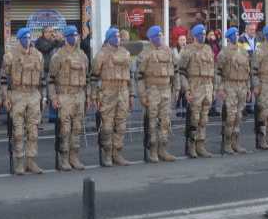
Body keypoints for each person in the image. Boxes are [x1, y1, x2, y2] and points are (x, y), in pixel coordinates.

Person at [2, 27, 45, 174]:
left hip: (33, 95)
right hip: (17, 94)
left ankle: (31, 161)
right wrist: (5, 97)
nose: (28, 40)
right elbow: (4, 79)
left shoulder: (38, 55)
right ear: (19, 39)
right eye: (25, 37)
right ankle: (19, 162)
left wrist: (43, 97)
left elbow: (42, 79)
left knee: (33, 131)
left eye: (29, 37)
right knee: (18, 132)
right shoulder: (10, 56)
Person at [48, 26, 90, 171]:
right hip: (64, 95)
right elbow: (51, 80)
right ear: (66, 37)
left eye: (76, 35)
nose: (75, 37)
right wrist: (53, 97)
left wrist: (88, 96)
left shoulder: (83, 55)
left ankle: (74, 157)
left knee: (77, 128)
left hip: (79, 95)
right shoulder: (58, 56)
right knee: (65, 129)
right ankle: (64, 158)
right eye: (72, 35)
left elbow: (87, 78)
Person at [91, 26, 134, 166]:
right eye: (115, 37)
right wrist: (94, 96)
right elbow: (93, 77)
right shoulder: (101, 54)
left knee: (121, 125)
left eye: (119, 36)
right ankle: (107, 154)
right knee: (107, 126)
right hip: (107, 93)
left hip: (123, 92)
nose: (118, 39)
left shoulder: (125, 53)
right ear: (109, 39)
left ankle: (117, 153)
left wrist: (131, 95)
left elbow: (130, 76)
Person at [136, 25, 179, 163]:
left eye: (160, 35)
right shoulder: (144, 54)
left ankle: (163, 149)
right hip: (152, 90)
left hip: (166, 89)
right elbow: (139, 77)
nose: (159, 38)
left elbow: (176, 71)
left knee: (165, 121)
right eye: (156, 36)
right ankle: (153, 150)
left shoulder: (168, 51)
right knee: (152, 121)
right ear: (150, 38)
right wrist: (142, 95)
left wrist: (176, 89)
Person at [178, 24, 216, 159]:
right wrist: (186, 89)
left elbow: (213, 70)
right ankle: (191, 146)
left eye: (204, 34)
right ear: (194, 35)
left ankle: (201, 145)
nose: (203, 36)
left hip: (207, 86)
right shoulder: (187, 50)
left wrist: (214, 88)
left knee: (204, 119)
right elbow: (181, 72)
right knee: (194, 118)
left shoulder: (208, 48)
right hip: (195, 86)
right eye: (201, 34)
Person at [216, 27, 250, 155]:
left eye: (237, 34)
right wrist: (219, 88)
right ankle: (227, 143)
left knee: (239, 116)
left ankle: (236, 142)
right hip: (229, 85)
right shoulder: (223, 53)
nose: (236, 36)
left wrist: (248, 87)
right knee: (230, 116)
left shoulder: (243, 52)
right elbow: (218, 72)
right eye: (234, 34)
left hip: (241, 85)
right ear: (229, 37)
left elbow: (248, 70)